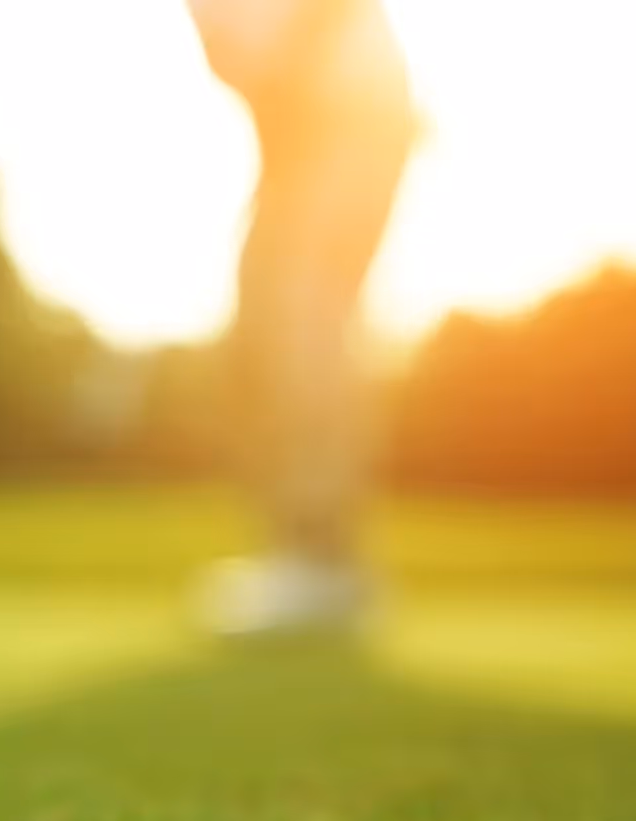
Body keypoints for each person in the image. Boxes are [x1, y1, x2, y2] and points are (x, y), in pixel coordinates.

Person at [187, 0, 417, 635]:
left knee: (301, 316)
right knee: (267, 314)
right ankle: (295, 549)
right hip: (313, 130)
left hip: (349, 111)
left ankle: (322, 558)